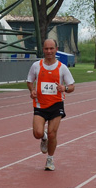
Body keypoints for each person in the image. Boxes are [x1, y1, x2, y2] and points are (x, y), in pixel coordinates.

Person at [27, 39, 75, 171]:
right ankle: (43, 138)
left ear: (56, 49)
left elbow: (72, 87)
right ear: (43, 49)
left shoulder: (62, 68)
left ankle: (50, 159)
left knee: (53, 133)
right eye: (46, 49)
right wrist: (31, 90)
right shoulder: (36, 66)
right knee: (37, 133)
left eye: (51, 48)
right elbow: (29, 81)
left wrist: (64, 88)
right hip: (40, 105)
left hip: (56, 105)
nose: (49, 51)